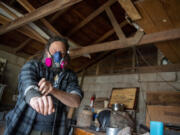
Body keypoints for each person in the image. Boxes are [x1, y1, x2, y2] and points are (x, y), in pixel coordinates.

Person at [4, 37, 83, 135]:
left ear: (65, 56)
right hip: (22, 124)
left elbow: (76, 101)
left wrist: (53, 90)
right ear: (46, 52)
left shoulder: (70, 75)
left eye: (61, 53)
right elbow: (27, 83)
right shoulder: (33, 65)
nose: (57, 56)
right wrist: (35, 98)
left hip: (54, 130)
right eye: (54, 51)